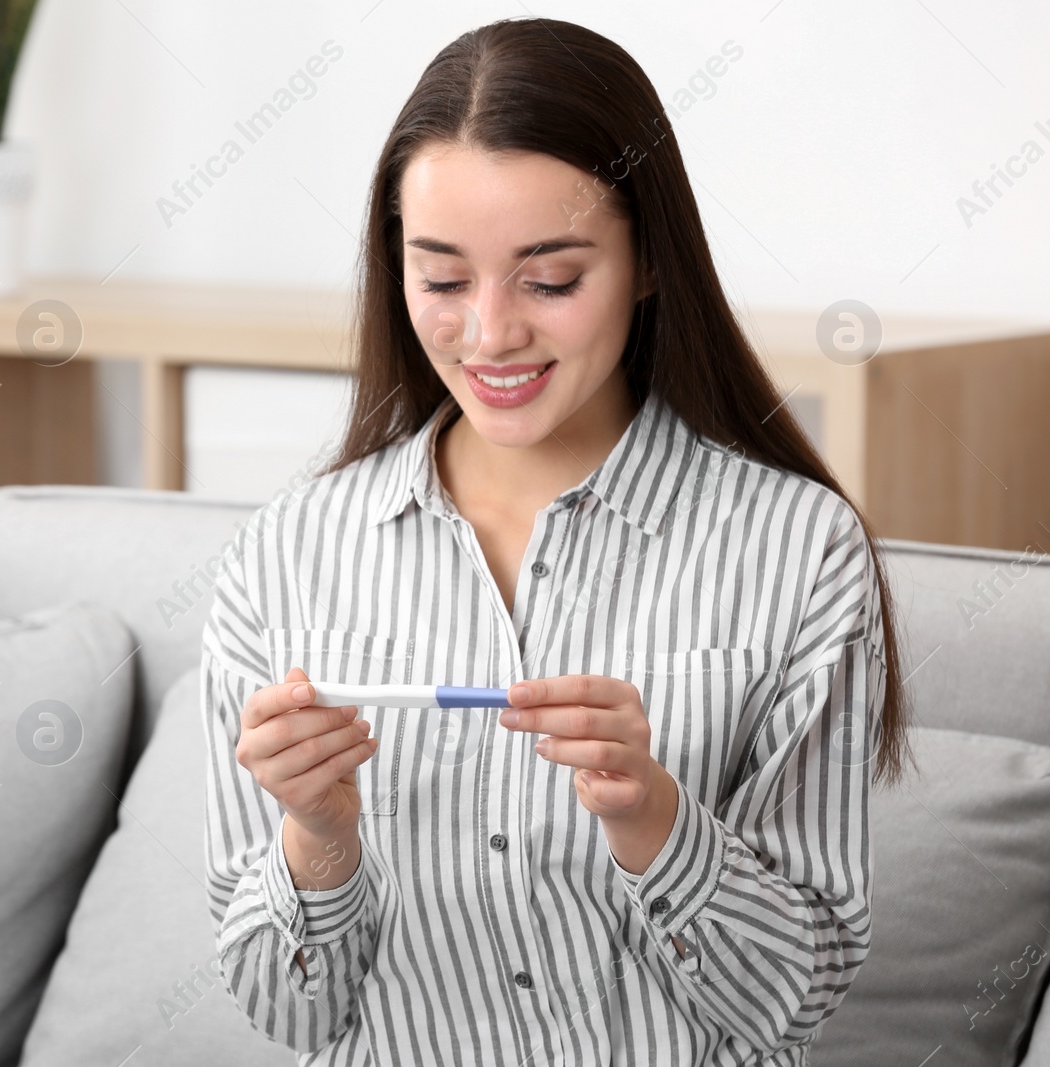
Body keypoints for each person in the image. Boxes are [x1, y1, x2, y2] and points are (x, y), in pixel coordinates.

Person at [200, 16, 909, 1066]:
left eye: (549, 280)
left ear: (647, 264)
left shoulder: (799, 553)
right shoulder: (285, 555)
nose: (489, 334)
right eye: (442, 280)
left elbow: (792, 1002)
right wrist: (318, 839)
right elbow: (290, 1013)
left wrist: (656, 819)